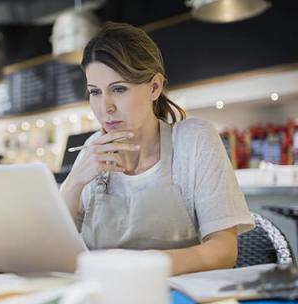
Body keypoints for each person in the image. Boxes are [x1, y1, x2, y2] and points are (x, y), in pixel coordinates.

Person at [60, 22, 254, 276]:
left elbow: (224, 251)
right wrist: (74, 183)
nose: (104, 107)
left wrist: (143, 266)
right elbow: (53, 249)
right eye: (95, 92)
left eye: (118, 89)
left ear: (154, 87)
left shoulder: (194, 141)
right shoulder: (92, 151)